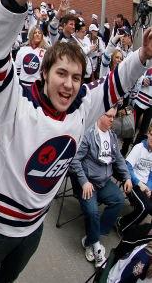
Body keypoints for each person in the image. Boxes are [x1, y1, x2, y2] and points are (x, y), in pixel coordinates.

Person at [0, 0, 152, 283]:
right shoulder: (14, 102)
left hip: (34, 226)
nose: (70, 84)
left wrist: (143, 55)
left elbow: (114, 84)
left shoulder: (81, 108)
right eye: (62, 73)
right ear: (45, 73)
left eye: (77, 77)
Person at [70, 107, 132, 267]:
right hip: (88, 182)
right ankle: (96, 247)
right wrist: (84, 182)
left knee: (118, 199)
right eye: (109, 116)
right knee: (92, 211)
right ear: (100, 115)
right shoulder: (89, 134)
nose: (112, 120)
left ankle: (93, 237)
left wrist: (127, 177)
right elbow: (75, 160)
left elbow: (119, 159)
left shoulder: (111, 136)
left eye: (114, 117)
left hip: (104, 182)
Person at [116, 123, 152, 236]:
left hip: (146, 186)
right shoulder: (139, 148)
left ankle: (149, 232)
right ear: (148, 133)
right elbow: (127, 168)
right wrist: (139, 183)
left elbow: (151, 174)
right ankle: (122, 224)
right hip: (133, 183)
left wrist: (149, 188)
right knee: (145, 207)